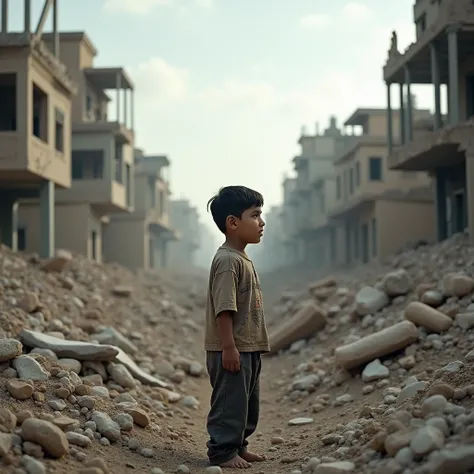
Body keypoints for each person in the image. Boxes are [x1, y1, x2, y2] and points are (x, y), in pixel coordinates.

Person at [204, 185, 269, 469]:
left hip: (248, 346)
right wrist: (229, 348)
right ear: (233, 223)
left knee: (246, 404)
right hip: (231, 349)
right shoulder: (228, 261)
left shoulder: (242, 257)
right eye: (255, 215)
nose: (261, 222)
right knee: (229, 404)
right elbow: (224, 309)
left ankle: (238, 446)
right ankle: (221, 451)